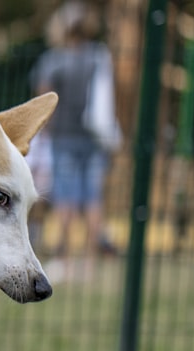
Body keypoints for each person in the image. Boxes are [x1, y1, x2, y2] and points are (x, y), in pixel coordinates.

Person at [31, 1, 118, 280]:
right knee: (92, 200)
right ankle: (89, 264)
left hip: (64, 139)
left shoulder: (54, 60)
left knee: (66, 200)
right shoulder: (97, 57)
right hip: (94, 139)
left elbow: (43, 99)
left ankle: (65, 260)